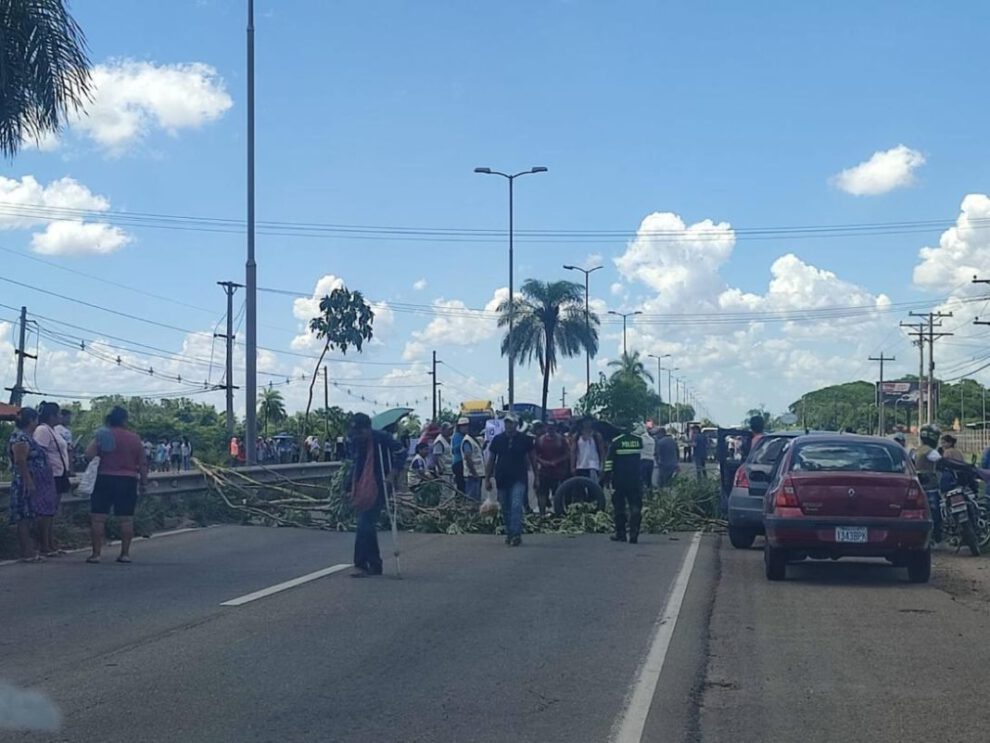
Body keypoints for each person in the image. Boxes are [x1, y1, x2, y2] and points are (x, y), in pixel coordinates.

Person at [344, 413, 406, 577]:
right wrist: (348, 487)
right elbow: (355, 464)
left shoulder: (382, 438)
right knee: (366, 524)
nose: (357, 435)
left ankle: (365, 564)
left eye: (360, 432)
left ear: (367, 429)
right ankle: (371, 563)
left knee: (365, 523)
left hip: (381, 484)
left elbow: (401, 452)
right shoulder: (356, 441)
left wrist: (393, 473)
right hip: (363, 485)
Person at [84, 406, 148, 564]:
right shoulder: (134, 438)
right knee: (126, 519)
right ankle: (125, 554)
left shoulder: (103, 434)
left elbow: (88, 455)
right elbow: (143, 463)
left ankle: (96, 554)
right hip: (128, 480)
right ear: (124, 420)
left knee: (98, 518)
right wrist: (143, 483)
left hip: (104, 478)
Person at [8, 407, 55, 562]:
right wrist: (28, 480)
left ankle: (31, 549)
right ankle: (27, 551)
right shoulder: (20, 437)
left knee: (29, 515)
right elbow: (20, 460)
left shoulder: (27, 436)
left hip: (33, 479)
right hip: (24, 481)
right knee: (24, 516)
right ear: (31, 420)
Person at [486, 414, 535, 546]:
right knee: (505, 507)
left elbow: (532, 458)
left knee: (516, 505)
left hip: (519, 478)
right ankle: (510, 532)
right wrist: (487, 478)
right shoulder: (498, 440)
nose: (508, 425)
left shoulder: (525, 439)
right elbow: (491, 460)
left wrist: (537, 476)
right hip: (502, 478)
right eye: (506, 422)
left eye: (511, 423)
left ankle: (516, 534)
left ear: (516, 425)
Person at [34, 401, 71, 555]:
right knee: (46, 511)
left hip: (59, 473)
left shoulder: (53, 430)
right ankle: (44, 544)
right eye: (58, 414)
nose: (60, 417)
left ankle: (50, 543)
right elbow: (40, 452)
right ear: (52, 416)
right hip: (51, 475)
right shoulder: (43, 430)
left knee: (52, 510)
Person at [603, 421, 644, 543]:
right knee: (635, 505)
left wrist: (606, 477)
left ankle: (621, 534)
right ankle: (634, 533)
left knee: (619, 508)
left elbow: (609, 462)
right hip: (635, 479)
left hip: (619, 480)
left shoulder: (616, 442)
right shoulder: (638, 441)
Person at [912, 424, 942, 543]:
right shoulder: (931, 452)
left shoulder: (916, 450)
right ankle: (937, 535)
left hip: (919, 485)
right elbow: (942, 462)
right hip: (930, 486)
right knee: (935, 511)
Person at [535, 421, 570, 517]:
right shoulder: (540, 440)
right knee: (542, 493)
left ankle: (558, 513)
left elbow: (567, 454)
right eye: (549, 427)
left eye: (552, 427)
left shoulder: (561, 439)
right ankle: (542, 514)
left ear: (555, 428)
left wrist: (557, 461)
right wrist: (543, 462)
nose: (550, 429)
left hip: (558, 472)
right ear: (546, 428)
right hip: (544, 471)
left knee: (558, 494)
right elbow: (535, 455)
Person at [572, 416, 606, 484]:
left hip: (593, 466)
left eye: (588, 421)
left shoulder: (596, 436)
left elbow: (602, 452)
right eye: (585, 422)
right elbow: (573, 452)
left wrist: (602, 466)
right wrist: (572, 466)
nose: (587, 423)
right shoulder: (577, 436)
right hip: (580, 466)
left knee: (593, 486)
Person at [458, 417, 485, 502]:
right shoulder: (467, 441)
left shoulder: (473, 440)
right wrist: (474, 473)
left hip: (477, 473)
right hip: (472, 475)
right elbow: (468, 458)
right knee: (472, 499)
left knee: (476, 498)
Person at [451, 419, 467, 494]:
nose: (465, 427)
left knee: (463, 485)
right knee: (461, 485)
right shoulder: (457, 436)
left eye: (466, 425)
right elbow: (455, 449)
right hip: (458, 462)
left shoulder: (464, 436)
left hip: (463, 462)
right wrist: (463, 443)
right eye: (463, 426)